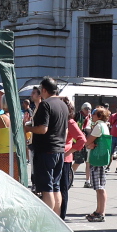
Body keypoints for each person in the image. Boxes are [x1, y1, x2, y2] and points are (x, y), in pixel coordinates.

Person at [29, 78, 70, 214]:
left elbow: (42, 129)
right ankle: (57, 220)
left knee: (47, 189)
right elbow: (65, 130)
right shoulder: (63, 105)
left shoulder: (45, 104)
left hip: (46, 150)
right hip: (59, 150)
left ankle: (48, 221)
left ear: (44, 90)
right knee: (56, 187)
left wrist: (27, 129)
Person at [58, 102, 87, 221]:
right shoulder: (59, 120)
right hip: (56, 157)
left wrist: (69, 152)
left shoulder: (70, 122)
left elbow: (82, 139)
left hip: (64, 160)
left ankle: (61, 216)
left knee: (62, 188)